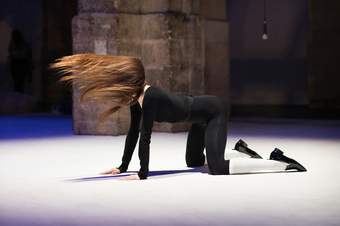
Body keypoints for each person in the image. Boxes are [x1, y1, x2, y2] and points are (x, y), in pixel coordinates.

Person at [50, 53, 307, 180]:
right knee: (193, 162)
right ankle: (242, 151)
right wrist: (122, 166)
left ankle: (281, 163)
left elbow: (146, 138)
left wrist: (142, 174)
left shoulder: (148, 98)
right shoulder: (135, 100)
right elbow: (132, 134)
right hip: (198, 118)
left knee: (216, 169)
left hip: (213, 111)